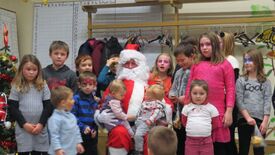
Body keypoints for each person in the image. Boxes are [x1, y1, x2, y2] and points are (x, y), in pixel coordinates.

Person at [95, 46, 172, 155]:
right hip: (121, 124)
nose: (130, 67)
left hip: (144, 124)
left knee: (149, 137)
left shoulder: (148, 84)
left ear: (141, 66)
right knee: (118, 133)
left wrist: (161, 116)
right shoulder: (115, 85)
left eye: (134, 63)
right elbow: (102, 103)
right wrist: (100, 116)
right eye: (126, 63)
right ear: (121, 66)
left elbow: (166, 103)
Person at [184, 32, 235, 155]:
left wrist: (229, 111)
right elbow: (189, 86)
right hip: (198, 113)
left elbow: (231, 89)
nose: (204, 47)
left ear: (215, 45)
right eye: (202, 45)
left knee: (218, 148)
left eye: (208, 44)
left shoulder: (225, 64)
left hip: (218, 112)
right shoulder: (196, 64)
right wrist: (187, 105)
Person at [8, 54, 53, 155]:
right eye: (28, 69)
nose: (31, 72)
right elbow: (13, 108)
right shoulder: (16, 85)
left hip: (40, 128)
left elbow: (48, 107)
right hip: (23, 129)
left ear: (38, 71)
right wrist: (24, 124)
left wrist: (41, 124)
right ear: (21, 69)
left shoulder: (43, 85)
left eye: (34, 69)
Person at [236, 49, 272, 155]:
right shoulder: (241, 80)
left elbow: (267, 102)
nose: (247, 63)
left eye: (250, 60)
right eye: (245, 60)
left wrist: (265, 122)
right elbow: (239, 100)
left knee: (259, 150)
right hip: (244, 121)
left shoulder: (265, 82)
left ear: (257, 61)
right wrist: (247, 118)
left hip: (259, 123)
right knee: (244, 149)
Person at [169, 43, 197, 155]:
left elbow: (199, 91)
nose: (180, 63)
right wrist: (172, 95)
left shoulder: (196, 71)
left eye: (183, 60)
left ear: (192, 56)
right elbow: (174, 87)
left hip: (191, 114)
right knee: (179, 141)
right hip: (178, 114)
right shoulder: (179, 72)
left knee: (189, 143)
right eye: (177, 61)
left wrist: (185, 99)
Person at [181, 80, 219, 155]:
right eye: (195, 93)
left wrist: (205, 129)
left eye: (201, 93)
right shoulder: (187, 107)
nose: (198, 96)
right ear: (190, 94)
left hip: (206, 142)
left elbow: (215, 124)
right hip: (190, 142)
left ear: (207, 94)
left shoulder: (211, 108)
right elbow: (184, 122)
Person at [48, 86, 85, 155]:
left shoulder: (72, 116)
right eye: (71, 99)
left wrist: (78, 143)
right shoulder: (54, 119)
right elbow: (54, 136)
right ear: (63, 103)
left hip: (72, 152)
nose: (73, 101)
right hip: (59, 153)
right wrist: (58, 149)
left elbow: (76, 130)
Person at [220, 31, 240, 155]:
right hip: (220, 103)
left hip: (229, 103)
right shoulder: (219, 60)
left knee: (228, 138)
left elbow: (232, 86)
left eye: (221, 42)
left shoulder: (231, 60)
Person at [134, 84, 167, 155]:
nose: (146, 96)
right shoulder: (145, 103)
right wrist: (137, 117)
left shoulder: (157, 105)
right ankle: (133, 146)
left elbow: (156, 113)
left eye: (148, 95)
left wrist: (150, 120)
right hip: (139, 121)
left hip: (146, 123)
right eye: (146, 94)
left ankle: (139, 150)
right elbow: (140, 111)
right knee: (132, 132)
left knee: (138, 135)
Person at [71, 71, 98, 155]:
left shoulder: (95, 100)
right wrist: (83, 127)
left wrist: (93, 129)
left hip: (92, 134)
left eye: (90, 85)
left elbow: (95, 118)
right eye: (84, 84)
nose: (87, 87)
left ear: (94, 85)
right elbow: (72, 117)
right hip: (79, 134)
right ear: (79, 85)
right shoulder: (75, 99)